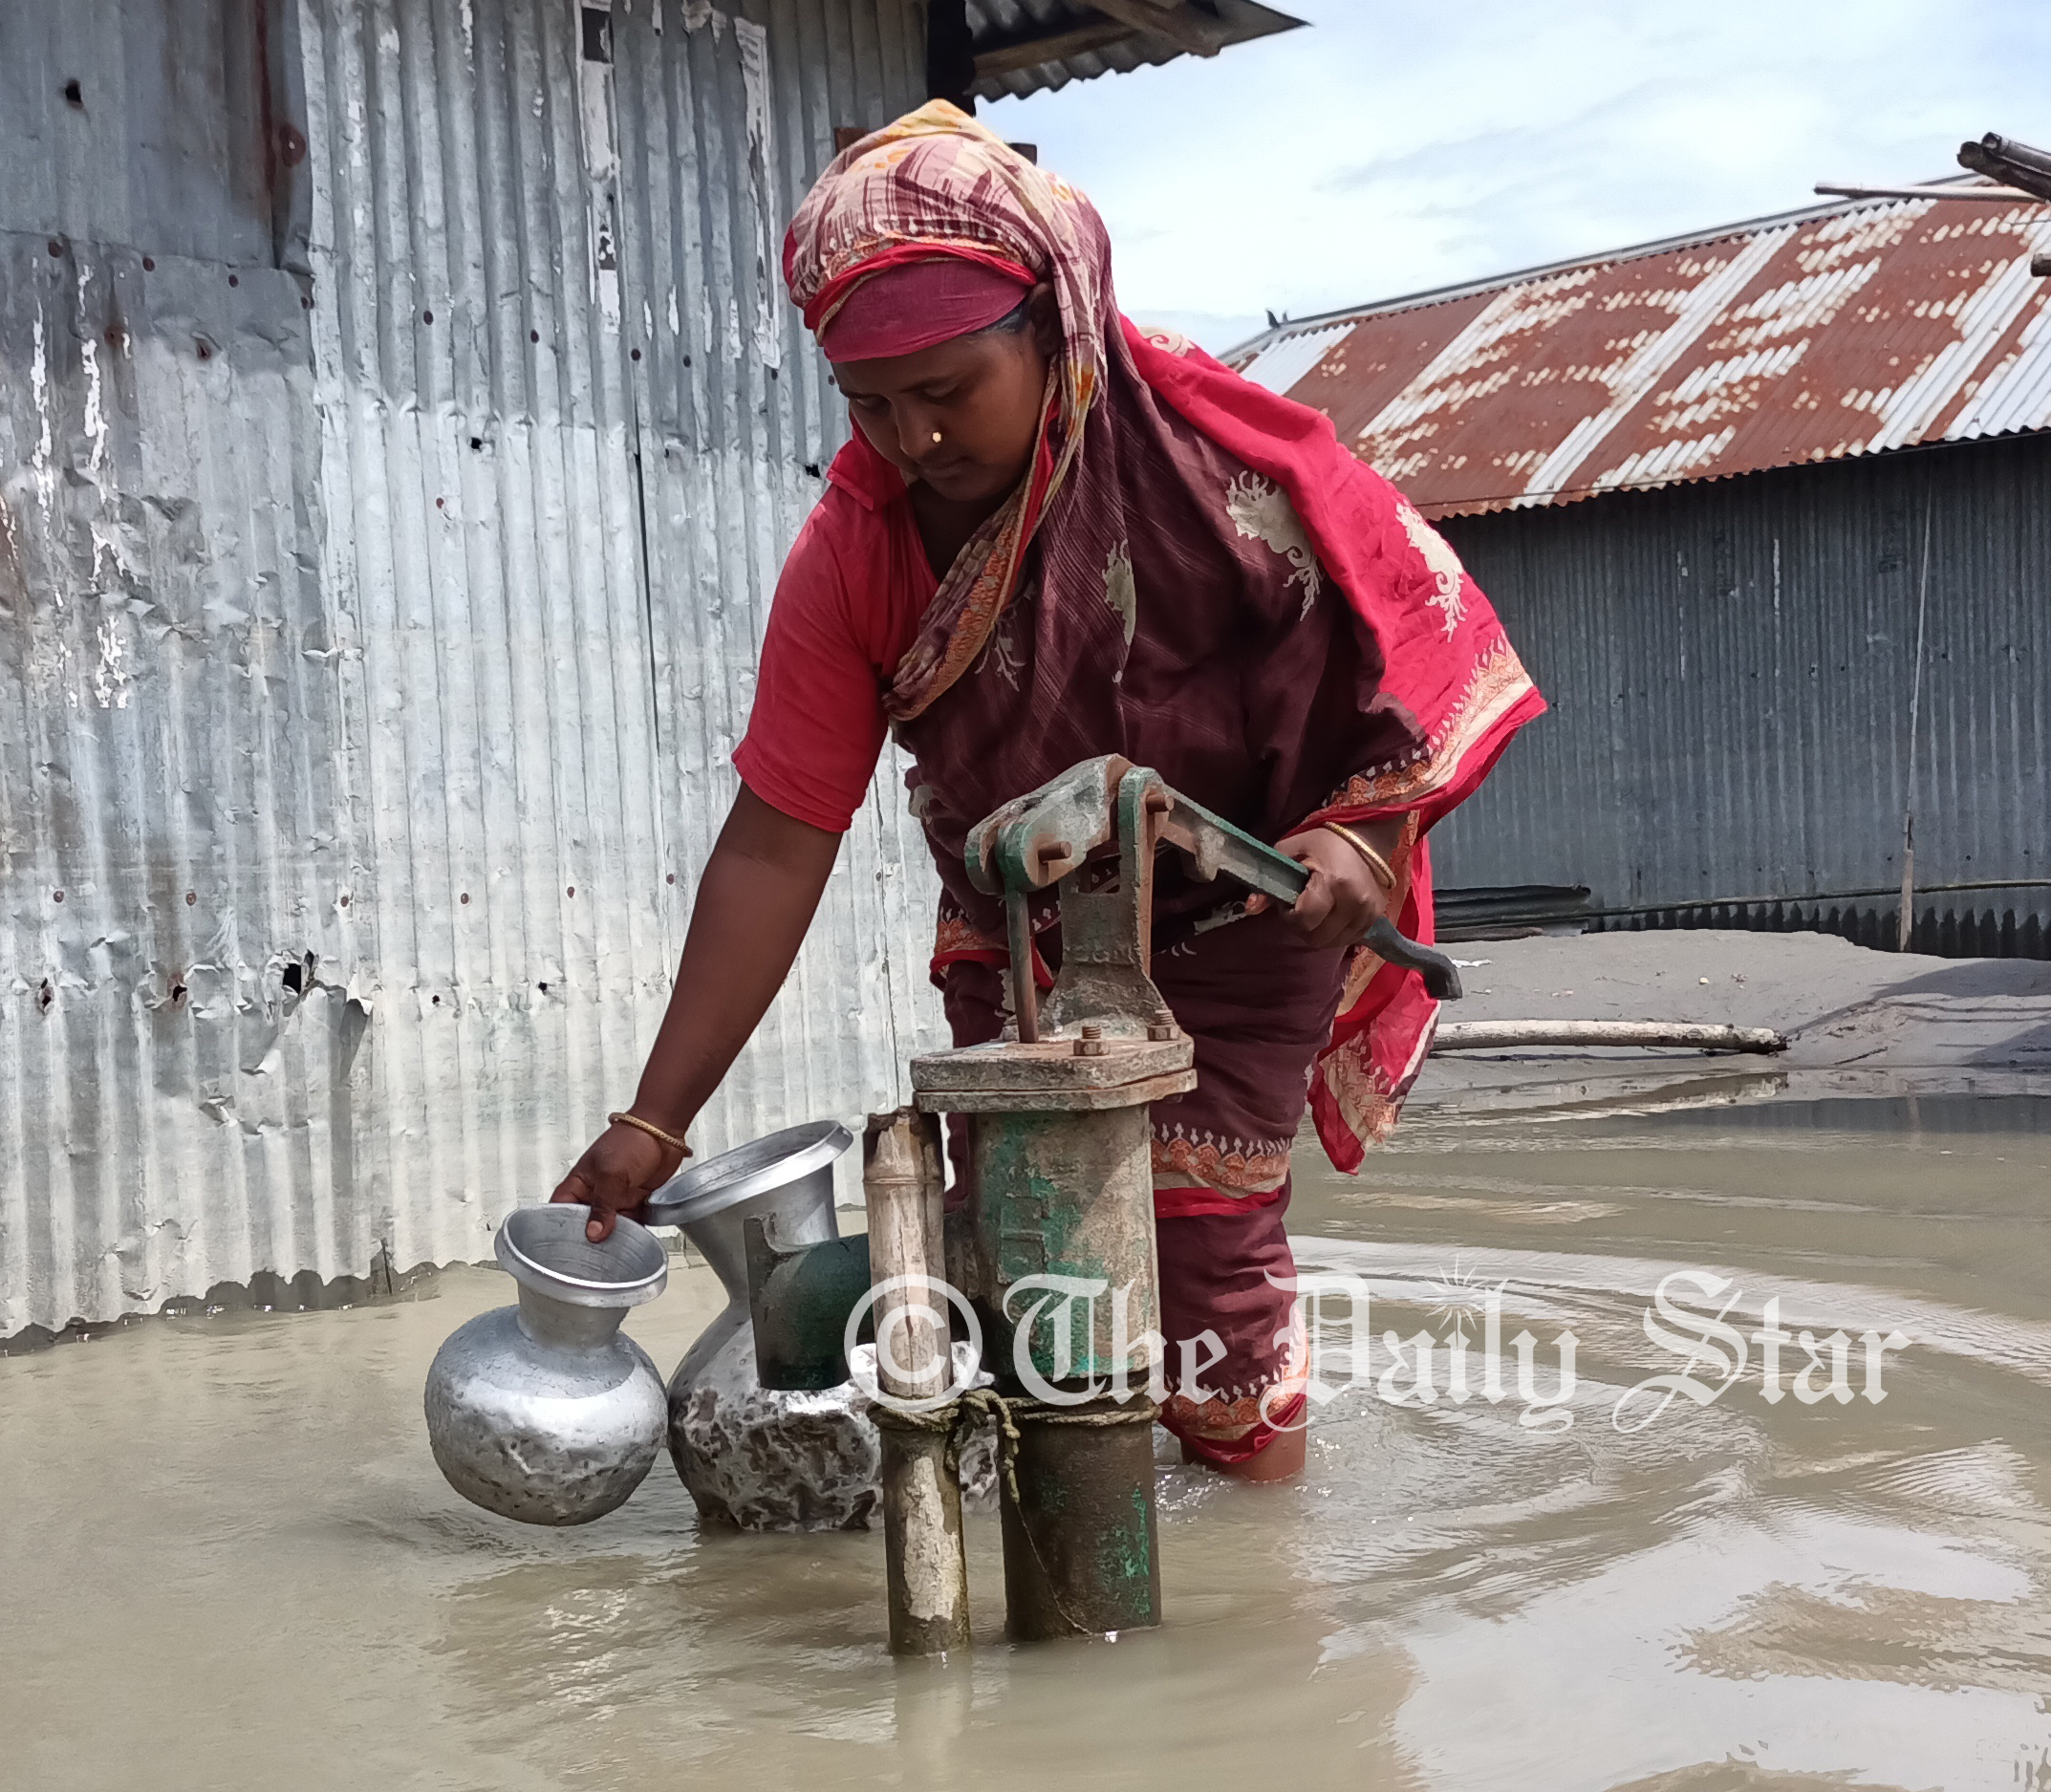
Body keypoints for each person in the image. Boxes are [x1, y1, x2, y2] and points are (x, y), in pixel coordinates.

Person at [553, 104, 1542, 1481]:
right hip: (1018, 927)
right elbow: (779, 842)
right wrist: (653, 1122)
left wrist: (1362, 835)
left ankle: (1257, 1575)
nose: (912, 436)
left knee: (1204, 1259)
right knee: (1030, 1267)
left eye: (949, 387)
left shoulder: (1225, 480)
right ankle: (1072, 1553)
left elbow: (1391, 646)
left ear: (1053, 325)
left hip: (1247, 916)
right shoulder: (857, 554)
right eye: (869, 401)